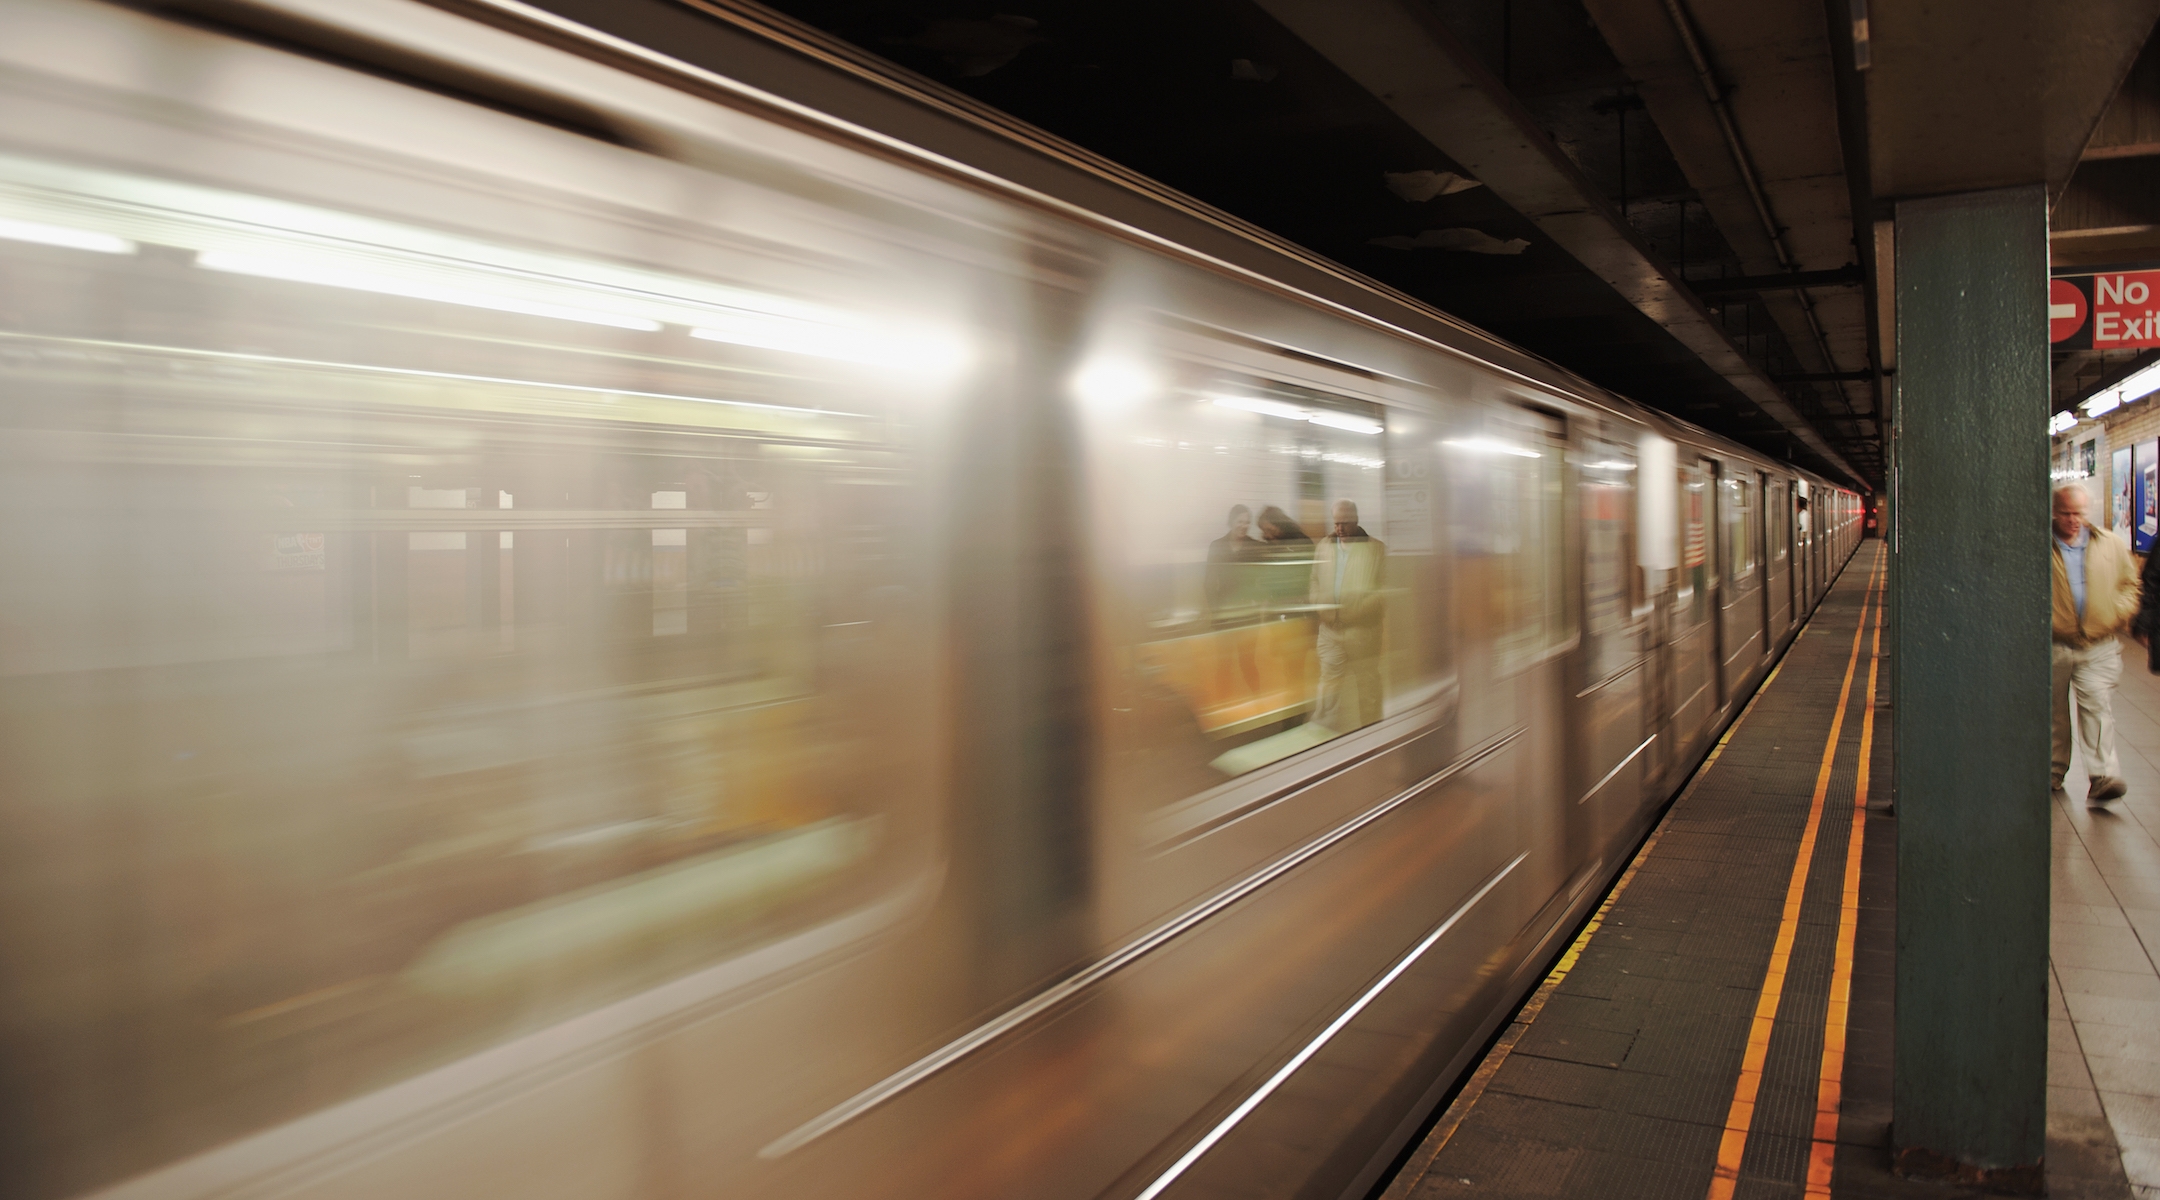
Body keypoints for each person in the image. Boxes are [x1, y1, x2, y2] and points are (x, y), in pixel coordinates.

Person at [2052, 481, 2140, 803]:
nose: (2073, 520)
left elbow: (2130, 583)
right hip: (2053, 643)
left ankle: (2102, 775)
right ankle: (2052, 771)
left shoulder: (2110, 544)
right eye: (2066, 513)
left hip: (2097, 643)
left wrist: (2118, 612)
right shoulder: (2039, 545)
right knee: (2053, 712)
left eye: (2079, 513)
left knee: (2097, 707)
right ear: (2054, 512)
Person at [1311, 499, 1386, 733]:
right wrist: (1320, 607)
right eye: (1336, 523)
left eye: (1344, 523)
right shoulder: (1324, 546)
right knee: (1328, 682)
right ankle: (1324, 729)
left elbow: (1382, 590)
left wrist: (1356, 612)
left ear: (1356, 521)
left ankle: (1371, 730)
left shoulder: (1375, 548)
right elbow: (1314, 580)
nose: (1339, 528)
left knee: (1367, 682)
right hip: (1329, 629)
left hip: (1362, 631)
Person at [1204, 504, 1261, 621]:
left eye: (1247, 522)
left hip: (1248, 611)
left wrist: (1258, 603)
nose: (1244, 526)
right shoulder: (1217, 546)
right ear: (1231, 522)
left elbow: (1262, 578)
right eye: (1240, 521)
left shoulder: (1254, 546)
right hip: (1224, 609)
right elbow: (1209, 582)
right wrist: (1215, 610)